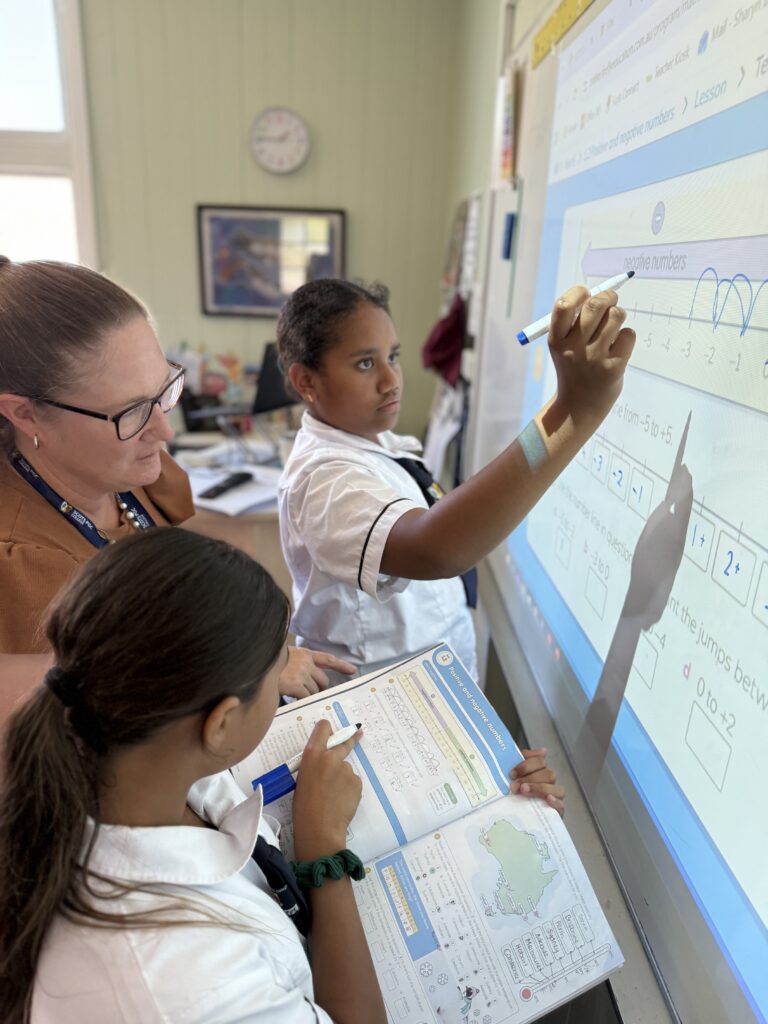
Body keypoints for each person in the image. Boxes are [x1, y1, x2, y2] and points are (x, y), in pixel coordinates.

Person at [0, 528, 564, 1023]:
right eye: (277, 679)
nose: (287, 687)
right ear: (220, 723)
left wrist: (483, 787)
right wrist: (324, 854)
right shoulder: (183, 985)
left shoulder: (130, 763)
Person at [0, 257, 354, 717]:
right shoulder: (24, 567)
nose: (164, 430)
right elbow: (98, 717)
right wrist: (246, 673)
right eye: (131, 411)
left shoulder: (123, 471)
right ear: (24, 414)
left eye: (161, 392)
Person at [277, 278, 636, 678]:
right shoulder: (322, 480)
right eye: (365, 364)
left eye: (392, 356)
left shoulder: (379, 443)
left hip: (428, 689)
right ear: (306, 381)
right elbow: (437, 548)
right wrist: (572, 411)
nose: (391, 380)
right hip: (377, 701)